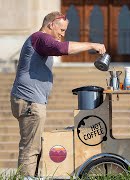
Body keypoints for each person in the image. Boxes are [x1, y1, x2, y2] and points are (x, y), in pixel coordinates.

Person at [10, 11, 106, 177]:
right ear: (51, 25)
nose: (62, 35)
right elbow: (61, 48)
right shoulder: (40, 37)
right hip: (30, 102)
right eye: (61, 30)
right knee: (30, 149)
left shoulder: (40, 41)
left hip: (31, 101)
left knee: (34, 147)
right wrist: (92, 45)